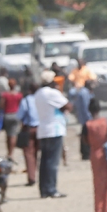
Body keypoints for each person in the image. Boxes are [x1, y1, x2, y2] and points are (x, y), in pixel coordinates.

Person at [35, 70, 73, 199]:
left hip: (43, 130)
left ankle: (44, 189)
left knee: (44, 161)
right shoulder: (52, 93)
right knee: (52, 162)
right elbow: (67, 105)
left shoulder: (38, 93)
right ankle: (52, 189)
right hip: (54, 129)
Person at [82, 98, 107, 212]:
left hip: (95, 156)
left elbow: (85, 142)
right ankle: (106, 211)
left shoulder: (87, 125)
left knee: (97, 184)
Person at [17, 82, 40, 186]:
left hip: (29, 128)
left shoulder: (26, 100)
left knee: (29, 154)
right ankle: (41, 176)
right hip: (41, 129)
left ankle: (31, 178)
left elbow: (19, 115)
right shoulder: (41, 99)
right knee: (39, 153)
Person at [0, 78, 23, 159]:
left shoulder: (5, 95)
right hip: (16, 115)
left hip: (7, 115)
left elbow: (2, 105)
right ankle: (11, 153)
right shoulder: (19, 95)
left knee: (8, 135)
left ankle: (8, 152)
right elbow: (21, 106)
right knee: (13, 135)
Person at [76, 80, 95, 160]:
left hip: (84, 117)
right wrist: (89, 118)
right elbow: (85, 106)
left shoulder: (86, 92)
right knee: (86, 135)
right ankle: (86, 153)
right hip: (86, 118)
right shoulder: (84, 93)